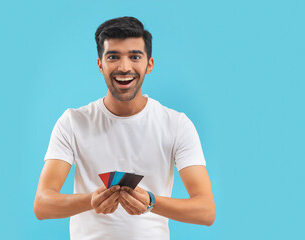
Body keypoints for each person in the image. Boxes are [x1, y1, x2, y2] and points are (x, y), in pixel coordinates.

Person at [34, 16, 216, 240]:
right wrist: (90, 200)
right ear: (100, 64)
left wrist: (152, 202)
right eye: (113, 57)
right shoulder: (73, 122)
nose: (124, 67)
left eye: (134, 56)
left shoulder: (176, 124)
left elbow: (206, 210)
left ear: (149, 64)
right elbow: (42, 204)